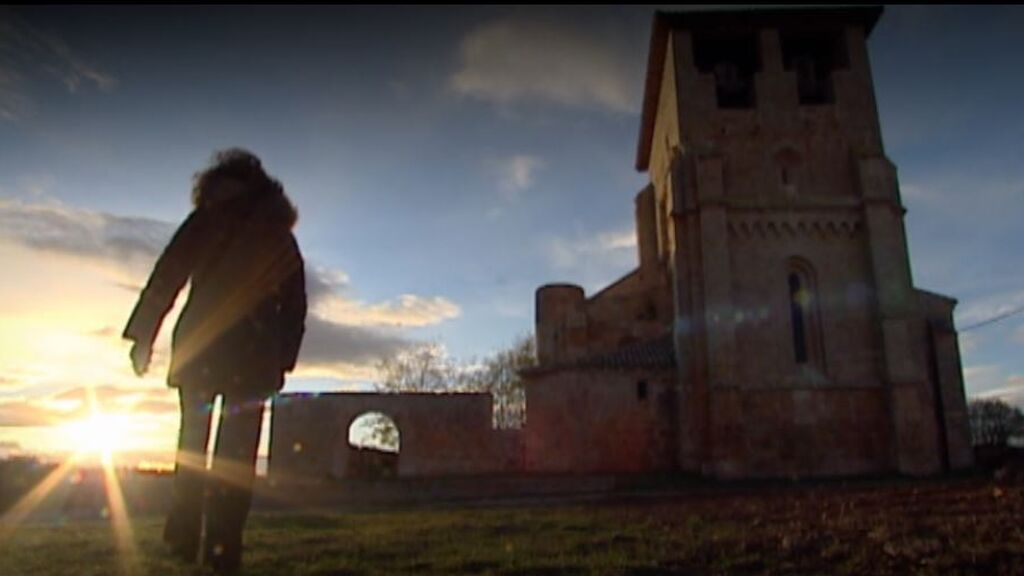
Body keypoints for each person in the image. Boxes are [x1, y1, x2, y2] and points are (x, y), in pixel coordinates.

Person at [123, 149, 306, 574]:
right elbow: (295, 305)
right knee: (235, 458)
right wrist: (284, 358)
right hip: (252, 356)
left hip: (202, 348)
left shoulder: (209, 219)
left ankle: (186, 533)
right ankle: (223, 547)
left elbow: (167, 276)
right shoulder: (276, 231)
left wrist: (143, 337)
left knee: (193, 444)